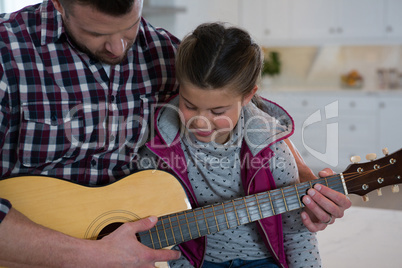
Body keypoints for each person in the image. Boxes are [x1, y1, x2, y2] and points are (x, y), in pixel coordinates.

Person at [0, 0, 350, 267]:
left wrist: (303, 180)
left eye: (129, 28)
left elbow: (247, 108)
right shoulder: (7, 52)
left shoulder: (168, 52)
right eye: (96, 34)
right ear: (59, 4)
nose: (118, 49)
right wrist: (90, 254)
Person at [138, 22, 349, 267]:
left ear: (248, 95)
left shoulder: (274, 153)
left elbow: (296, 232)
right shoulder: (159, 148)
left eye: (218, 110)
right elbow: (160, 229)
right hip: (196, 261)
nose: (200, 121)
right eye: (189, 105)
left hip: (261, 260)